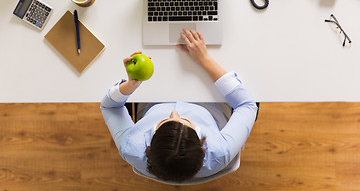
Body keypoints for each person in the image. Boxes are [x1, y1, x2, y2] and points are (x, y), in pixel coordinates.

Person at [100, 29, 258, 182]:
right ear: (202, 144)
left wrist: (130, 85)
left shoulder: (131, 147)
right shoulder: (220, 151)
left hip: (154, 97)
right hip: (210, 102)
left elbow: (110, 107)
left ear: (150, 145)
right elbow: (247, 104)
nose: (174, 113)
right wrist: (204, 59)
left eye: (164, 121)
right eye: (186, 120)